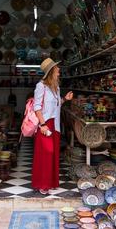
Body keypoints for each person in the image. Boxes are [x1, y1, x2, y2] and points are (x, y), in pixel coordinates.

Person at [32, 58, 73, 195]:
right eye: (57, 68)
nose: (59, 70)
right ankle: (42, 184)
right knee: (46, 153)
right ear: (51, 71)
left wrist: (65, 99)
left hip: (54, 124)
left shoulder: (56, 87)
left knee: (53, 153)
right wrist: (42, 124)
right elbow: (36, 107)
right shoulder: (41, 86)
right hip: (45, 123)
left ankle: (51, 183)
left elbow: (56, 104)